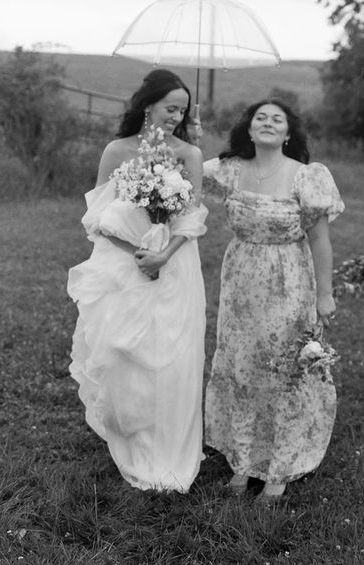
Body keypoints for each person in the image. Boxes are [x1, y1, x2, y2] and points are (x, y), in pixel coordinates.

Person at [67, 69, 208, 492]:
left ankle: (168, 446)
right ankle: (130, 431)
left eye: (182, 110)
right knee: (122, 352)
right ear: (148, 105)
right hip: (123, 266)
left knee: (170, 355)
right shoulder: (117, 150)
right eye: (170, 107)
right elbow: (97, 216)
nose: (176, 116)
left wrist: (163, 253)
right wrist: (137, 253)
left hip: (175, 264)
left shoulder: (190, 154)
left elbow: (195, 217)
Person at [201, 99, 343, 504]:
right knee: (241, 365)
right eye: (259, 118)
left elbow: (320, 241)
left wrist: (325, 294)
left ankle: (278, 468)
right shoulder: (228, 169)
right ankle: (243, 461)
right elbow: (186, 174)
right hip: (240, 282)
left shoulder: (307, 177)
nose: (267, 122)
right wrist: (191, 144)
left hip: (289, 282)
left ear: (287, 133)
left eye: (276, 119)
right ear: (249, 130)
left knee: (281, 367)